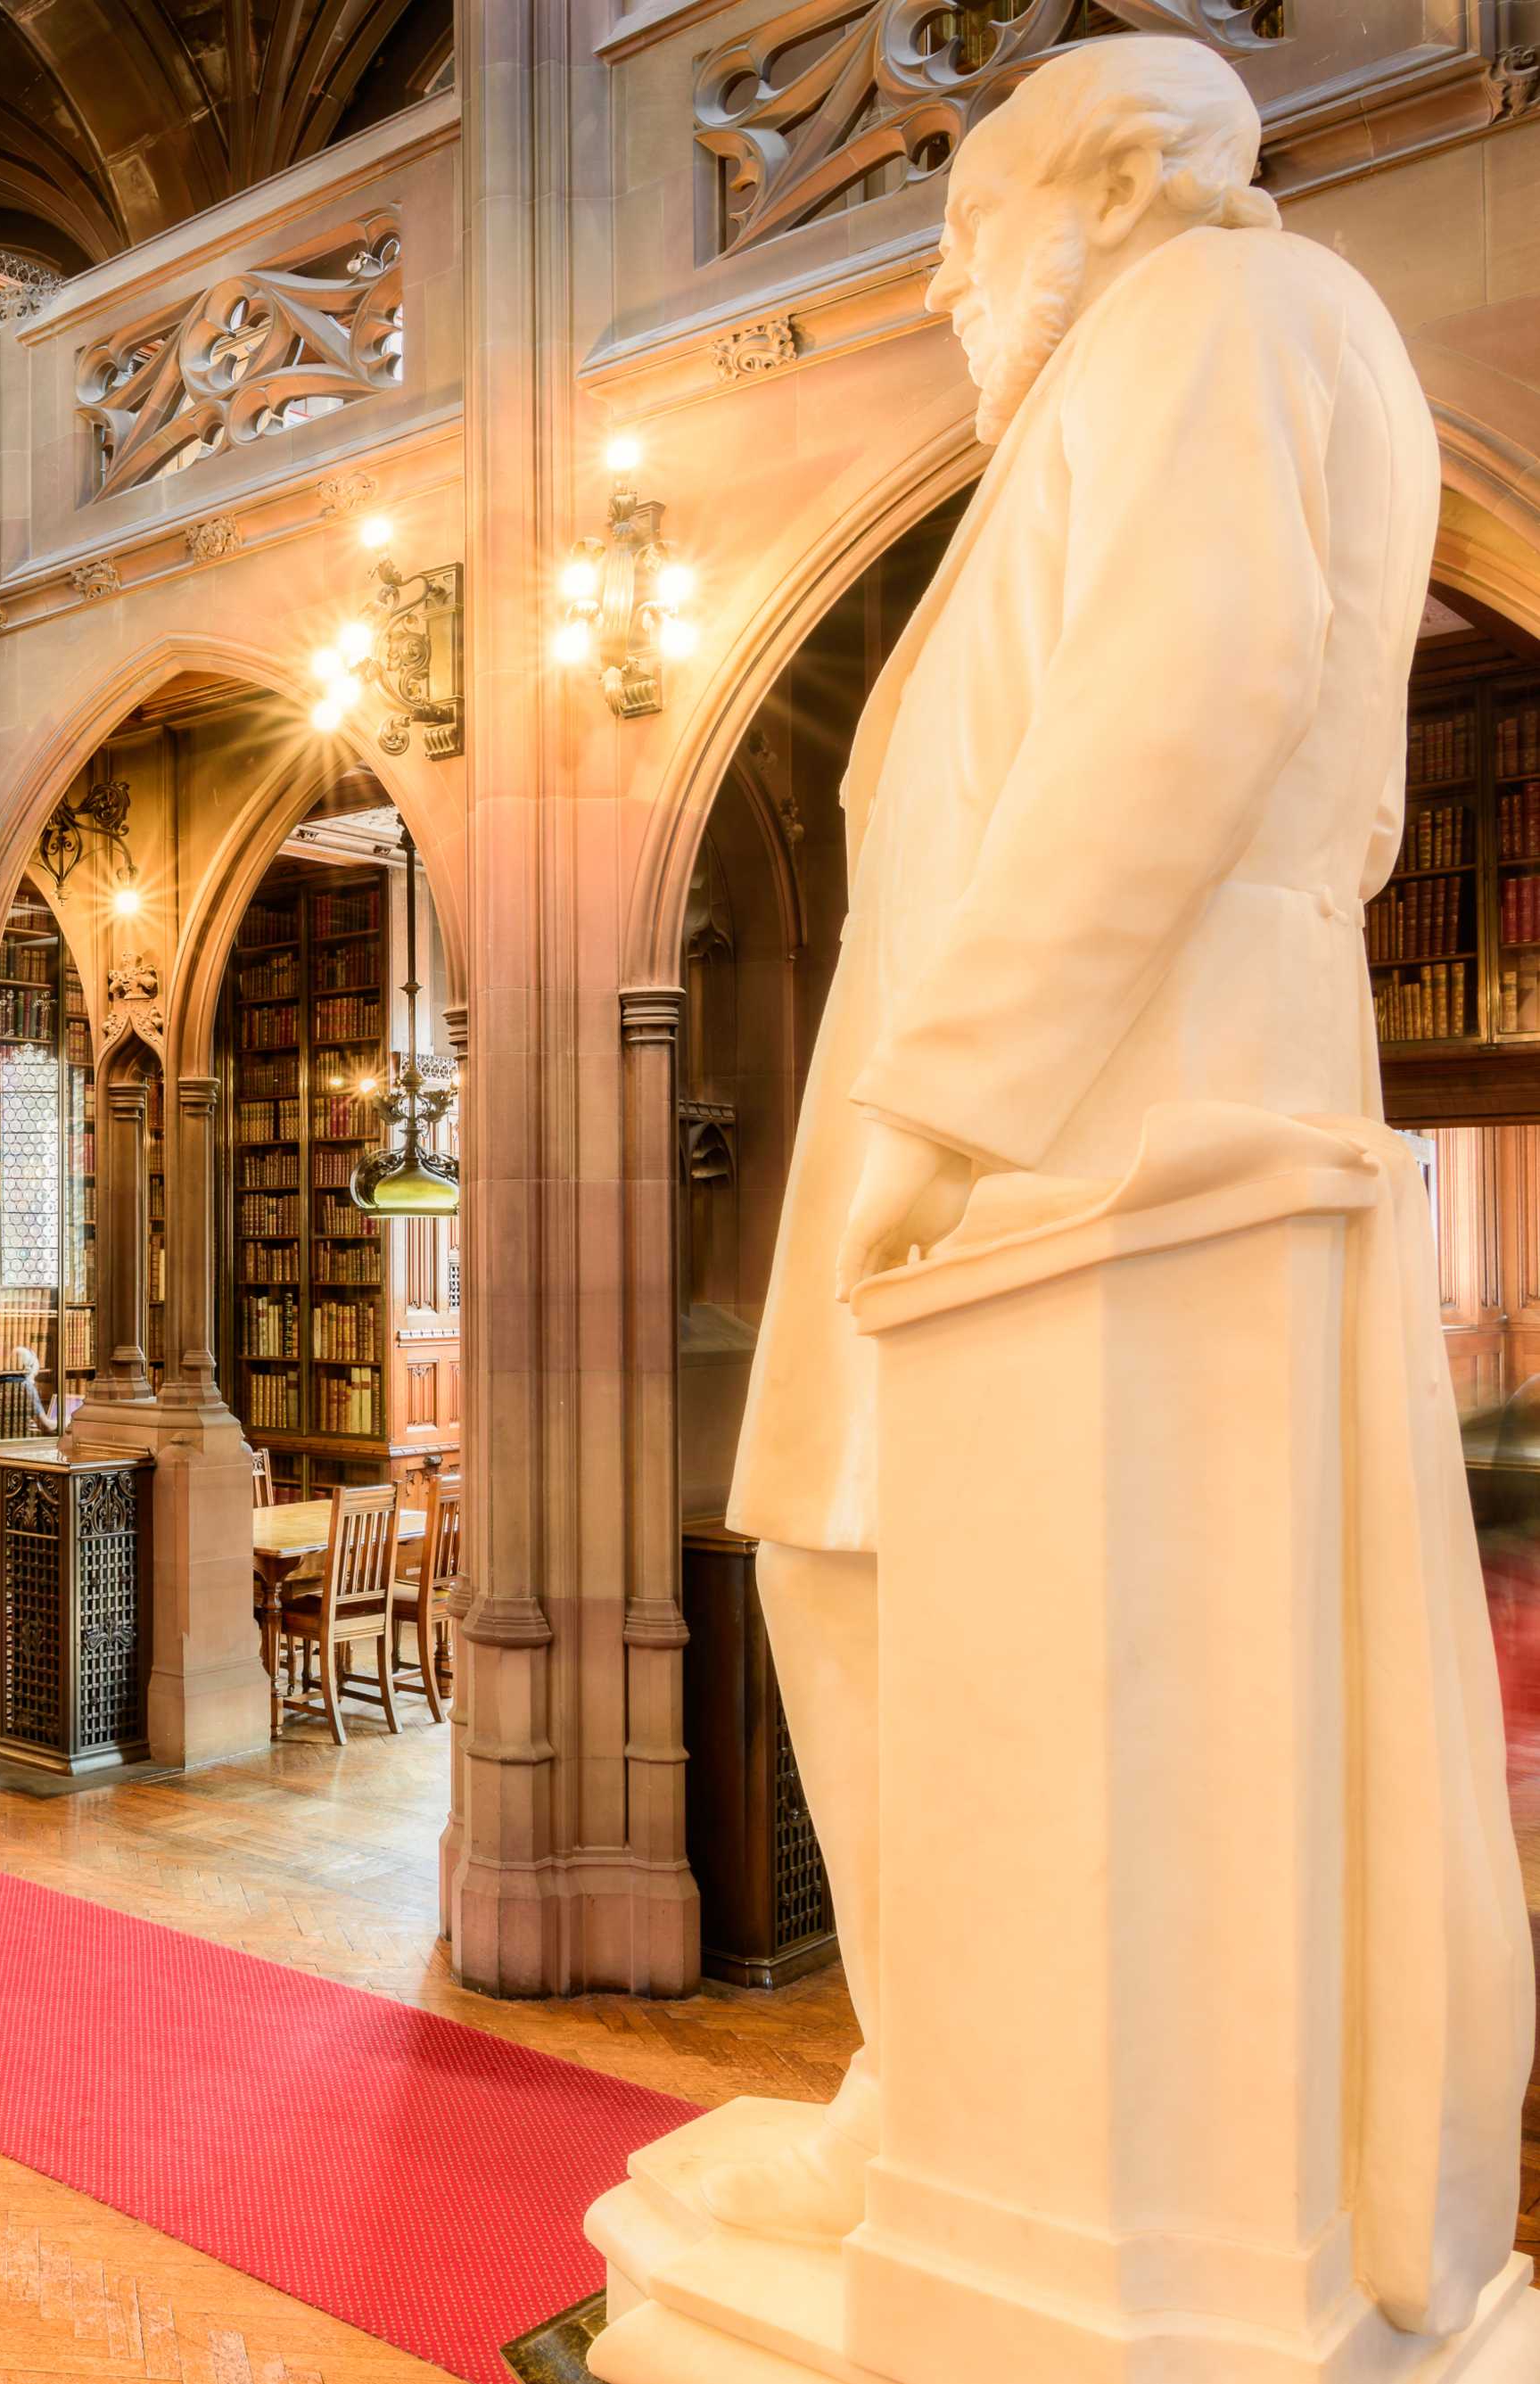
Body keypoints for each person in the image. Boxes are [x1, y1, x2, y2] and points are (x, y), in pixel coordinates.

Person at [719, 37, 1521, 2329]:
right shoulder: (1164, 368)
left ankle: (1020, 2145)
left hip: (1088, 1115)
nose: (962, 320)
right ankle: (957, 2088)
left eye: (963, 264)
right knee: (867, 1575)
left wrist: (951, 1104)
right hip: (1063, 1101)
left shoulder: (1206, 320)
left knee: (1005, 1621)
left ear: (1063, 218)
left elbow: (1195, 680)